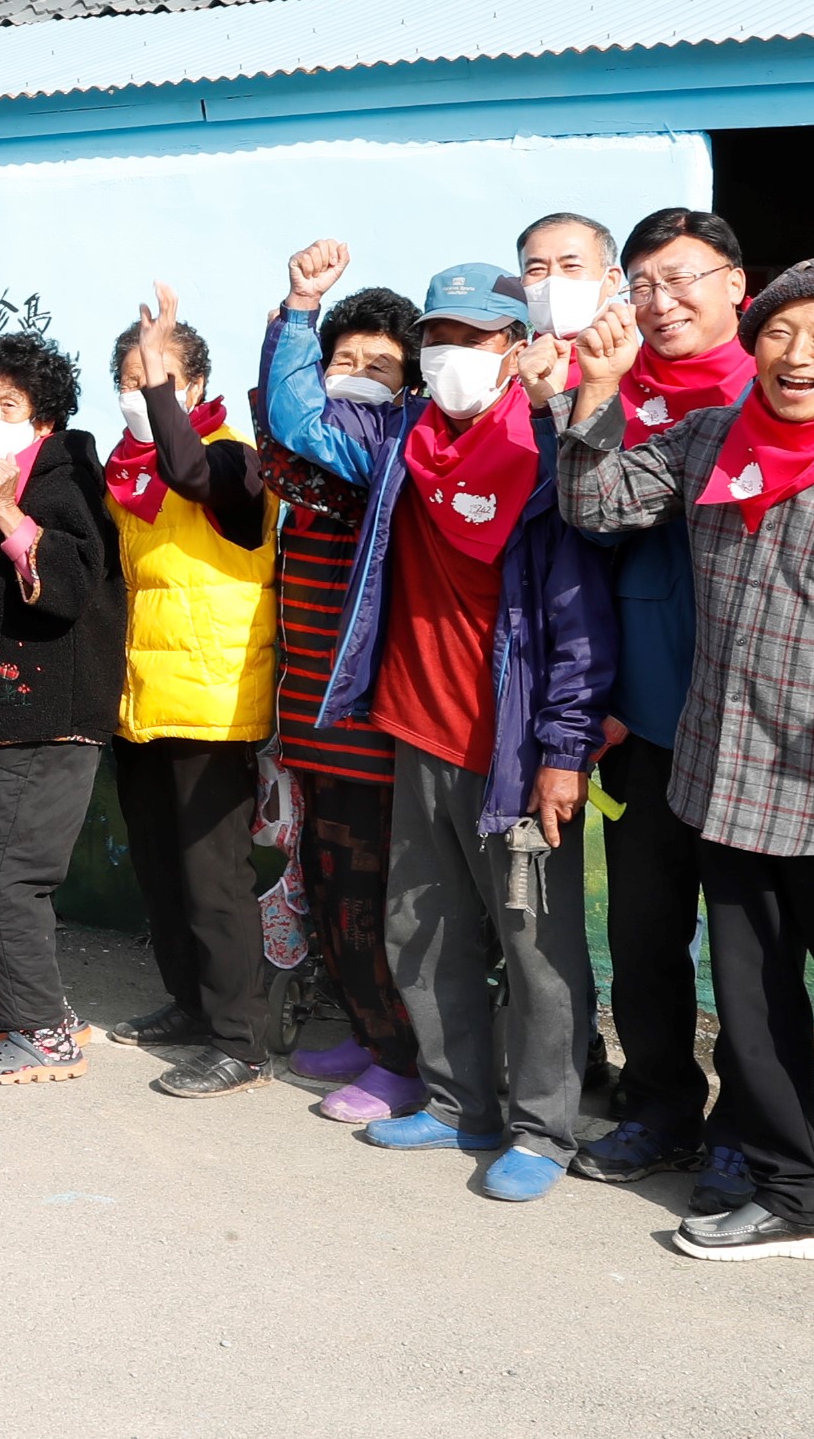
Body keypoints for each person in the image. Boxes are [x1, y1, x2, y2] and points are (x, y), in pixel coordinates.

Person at [559, 257, 814, 1309]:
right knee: (750, 1008)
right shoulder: (711, 441)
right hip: (724, 784)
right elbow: (597, 501)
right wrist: (598, 395)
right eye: (782, 332)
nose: (798, 355)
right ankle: (791, 1195)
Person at [269, 244, 612, 1202]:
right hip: (412, 731)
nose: (453, 355)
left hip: (508, 749)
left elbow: (578, 619)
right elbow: (298, 419)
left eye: (476, 338)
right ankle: (461, 1103)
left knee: (536, 948)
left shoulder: (545, 450)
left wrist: (563, 750)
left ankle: (544, 1128)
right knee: (424, 929)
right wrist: (301, 309)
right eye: (439, 339)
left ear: (518, 348)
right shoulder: (402, 444)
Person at [568, 208, 761, 1210]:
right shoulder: (609, 397)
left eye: (683, 277)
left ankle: (745, 1128)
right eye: (642, 282)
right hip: (641, 724)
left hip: (750, 737)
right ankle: (657, 1107)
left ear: (736, 284)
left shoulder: (767, 399)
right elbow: (580, 539)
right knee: (644, 934)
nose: (660, 300)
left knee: (743, 949)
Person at [248, 281, 429, 1123]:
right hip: (311, 727)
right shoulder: (309, 482)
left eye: (377, 366)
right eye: (341, 361)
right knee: (329, 895)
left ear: (410, 386)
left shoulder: (384, 467)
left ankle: (401, 1062)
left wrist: (297, 314)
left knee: (370, 904)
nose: (353, 376)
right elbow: (279, 428)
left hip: (366, 734)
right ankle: (366, 1033)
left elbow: (285, 425)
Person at [99, 282, 281, 1098]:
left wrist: (159, 378)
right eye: (131, 383)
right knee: (161, 869)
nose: (143, 396)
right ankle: (188, 1006)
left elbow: (190, 469)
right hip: (141, 695)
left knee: (215, 880)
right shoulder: (123, 477)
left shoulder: (236, 464)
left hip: (213, 697)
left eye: (160, 380)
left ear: (197, 387)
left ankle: (240, 1040)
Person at [0, 330, 126, 1086]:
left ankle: (43, 1033)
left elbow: (72, 587)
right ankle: (26, 1006)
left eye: (8, 404)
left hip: (44, 715)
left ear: (42, 421)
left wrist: (11, 513)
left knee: (4, 875)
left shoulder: (61, 478)